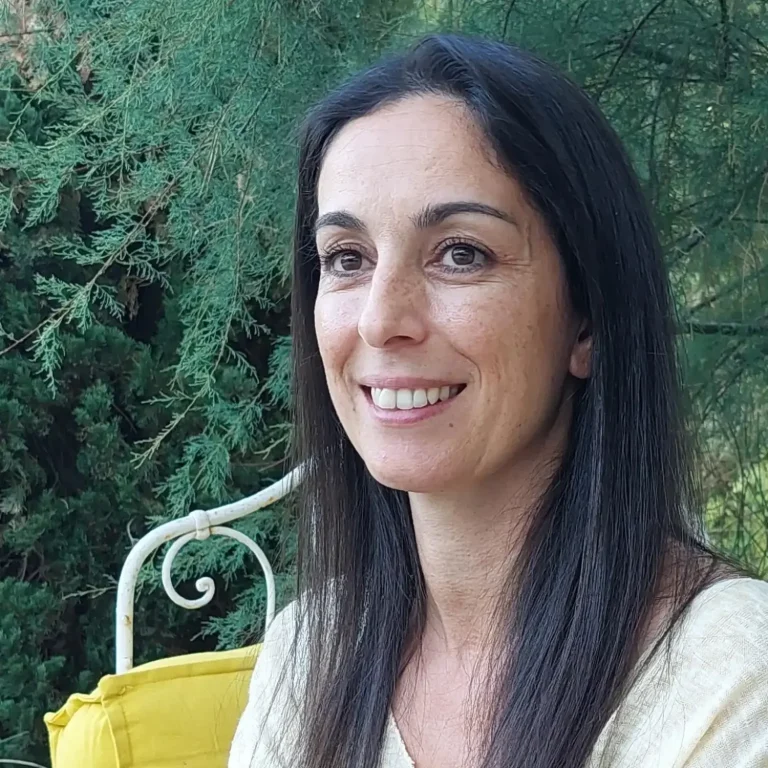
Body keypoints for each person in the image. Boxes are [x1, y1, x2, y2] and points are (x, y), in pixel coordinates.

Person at [228, 33, 768, 768]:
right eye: (347, 259)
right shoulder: (307, 656)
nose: (381, 321)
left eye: (461, 253)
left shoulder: (728, 679)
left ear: (587, 320)